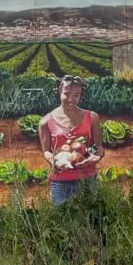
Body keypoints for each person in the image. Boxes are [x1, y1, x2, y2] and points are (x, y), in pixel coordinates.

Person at [38, 74, 104, 205]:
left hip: (88, 180)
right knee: (62, 222)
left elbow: (100, 148)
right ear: (59, 92)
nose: (71, 99)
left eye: (76, 95)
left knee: (90, 221)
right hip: (60, 182)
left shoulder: (92, 117)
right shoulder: (46, 121)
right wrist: (55, 162)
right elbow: (46, 151)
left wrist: (94, 158)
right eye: (66, 94)